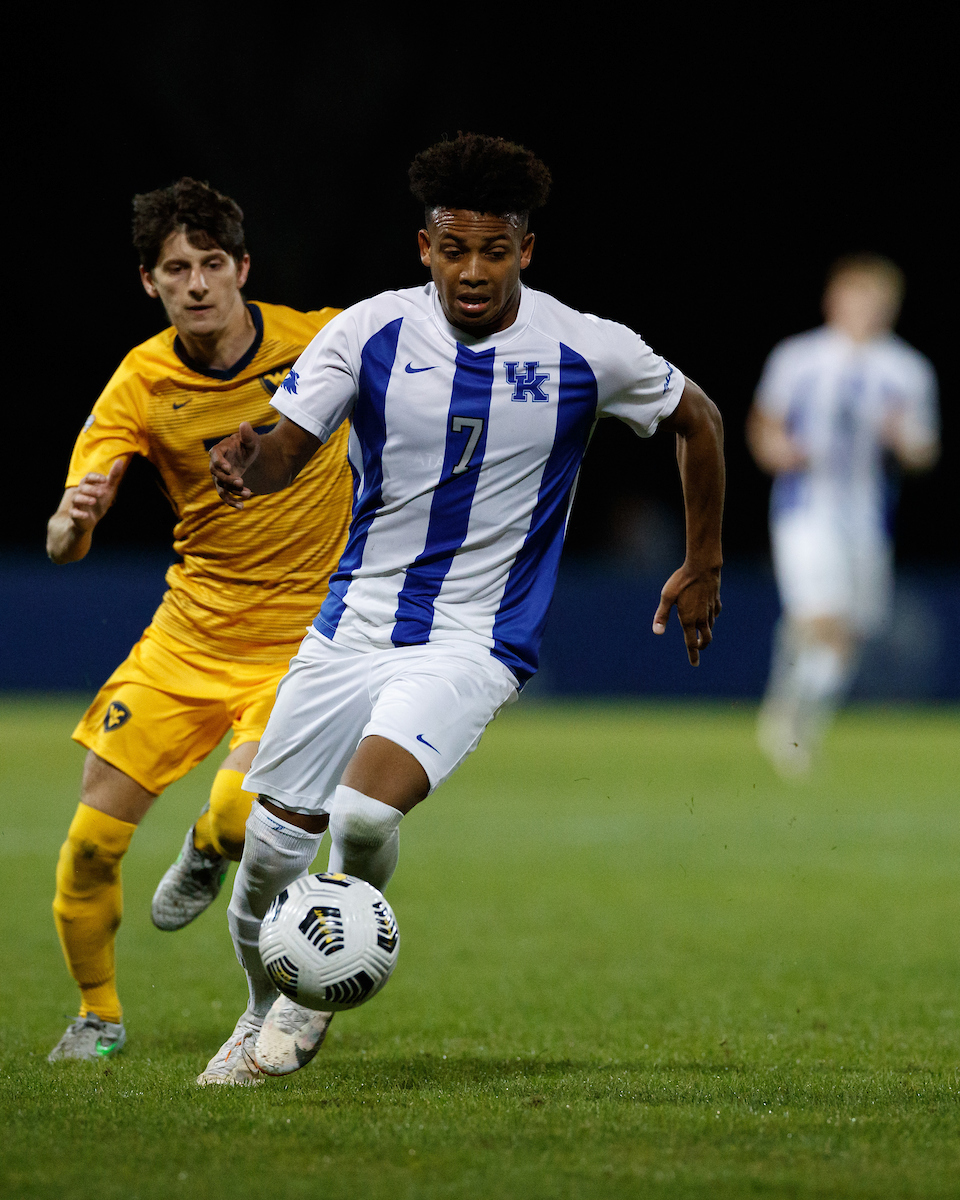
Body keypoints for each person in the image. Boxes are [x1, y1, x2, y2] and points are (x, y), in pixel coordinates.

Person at [198, 133, 725, 1086]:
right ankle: (257, 1009)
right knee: (268, 854)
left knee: (363, 814)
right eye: (453, 250)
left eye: (494, 250)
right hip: (350, 627)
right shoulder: (369, 331)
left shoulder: (585, 347)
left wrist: (703, 559)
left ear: (527, 250)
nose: (473, 271)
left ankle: (316, 991)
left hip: (476, 638)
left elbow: (701, 418)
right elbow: (286, 450)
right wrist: (248, 463)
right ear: (424, 248)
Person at [45, 178, 353, 1061]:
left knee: (238, 817)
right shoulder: (142, 380)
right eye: (176, 269)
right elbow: (63, 541)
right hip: (187, 640)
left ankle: (207, 850)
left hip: (301, 647)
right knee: (89, 848)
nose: (197, 284)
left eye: (212, 264)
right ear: (150, 282)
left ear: (242, 268)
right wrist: (75, 520)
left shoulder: (322, 341)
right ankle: (97, 1017)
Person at [747, 254, 939, 776]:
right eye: (858, 299)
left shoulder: (907, 369)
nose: (866, 312)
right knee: (825, 620)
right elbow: (764, 425)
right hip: (806, 508)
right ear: (834, 300)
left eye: (877, 302)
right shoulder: (798, 358)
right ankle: (787, 727)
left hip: (867, 517)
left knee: (849, 635)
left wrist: (905, 440)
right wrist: (778, 450)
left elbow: (924, 449)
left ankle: (794, 715)